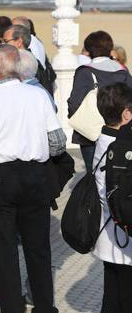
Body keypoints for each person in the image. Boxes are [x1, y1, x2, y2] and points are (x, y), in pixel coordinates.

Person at [0, 44, 65, 313]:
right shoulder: (38, 96)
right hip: (35, 175)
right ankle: (44, 306)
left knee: (2, 249)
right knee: (38, 248)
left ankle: (11, 306)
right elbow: (58, 143)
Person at [92, 83, 132, 313]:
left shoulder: (102, 140)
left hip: (108, 234)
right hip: (125, 236)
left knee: (112, 295)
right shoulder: (121, 148)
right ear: (126, 114)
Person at [68, 31, 132, 171]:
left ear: (88, 50)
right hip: (120, 132)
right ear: (110, 49)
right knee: (120, 175)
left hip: (90, 135)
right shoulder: (123, 71)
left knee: (94, 175)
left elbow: (74, 103)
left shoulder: (84, 72)